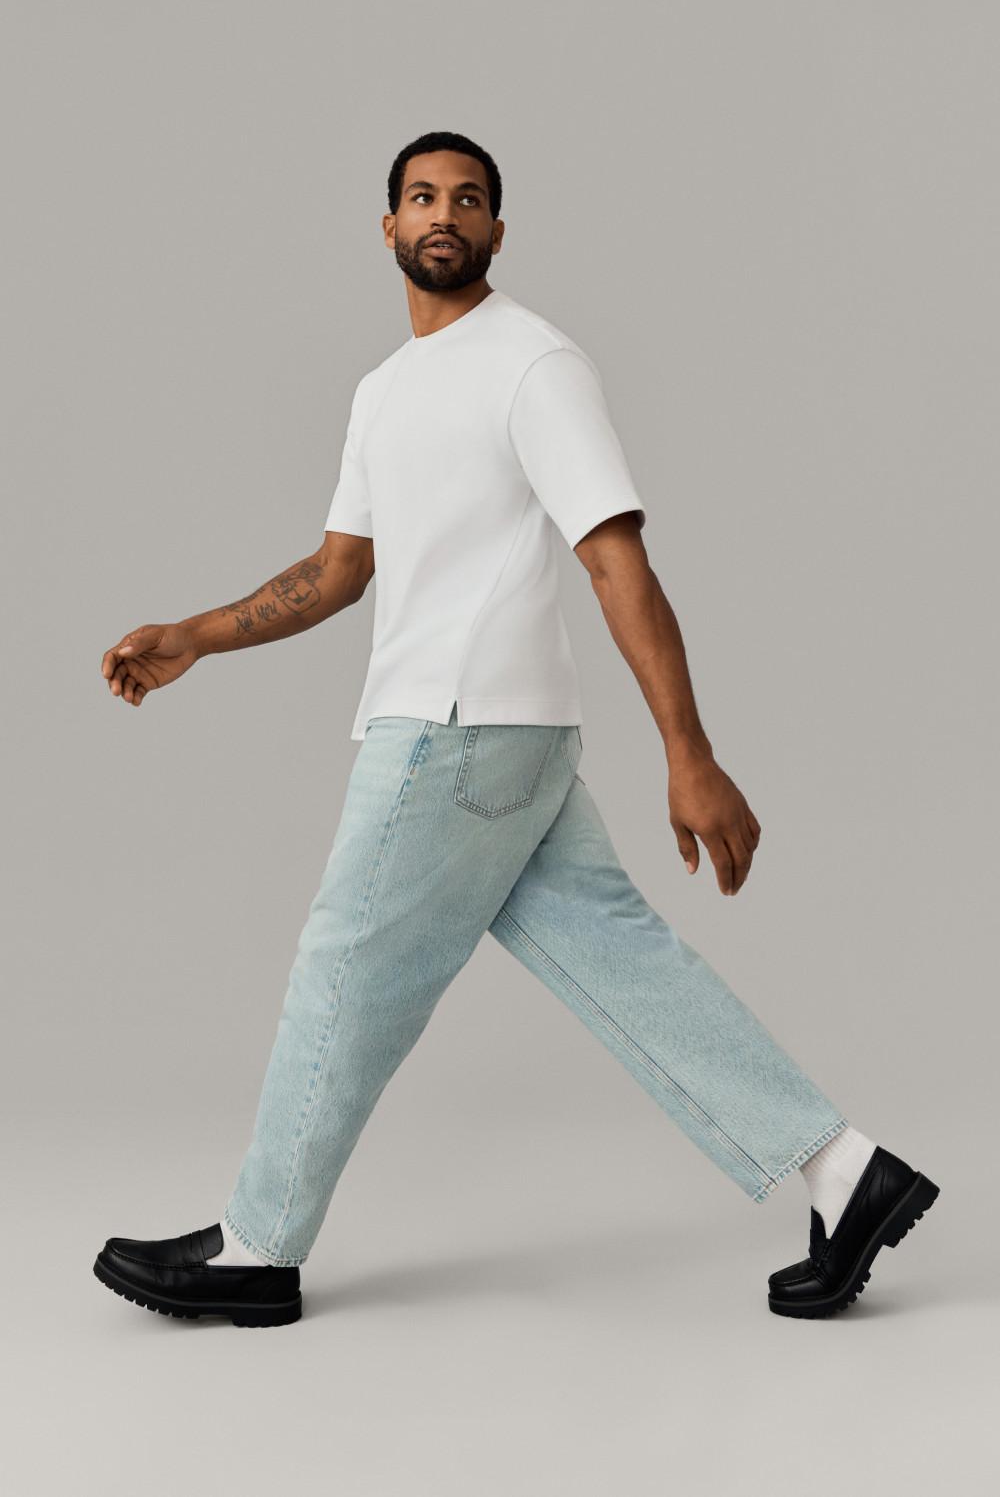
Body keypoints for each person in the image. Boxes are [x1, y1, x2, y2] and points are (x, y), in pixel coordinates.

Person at [93, 130, 938, 1328]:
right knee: (624, 964)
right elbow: (340, 571)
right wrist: (196, 633)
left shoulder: (533, 364)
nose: (445, 213)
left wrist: (688, 754)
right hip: (506, 748)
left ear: (498, 229)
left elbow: (613, 559)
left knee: (343, 965)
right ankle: (844, 1172)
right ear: (385, 228)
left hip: (453, 734)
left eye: (470, 198)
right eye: (422, 197)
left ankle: (258, 1245)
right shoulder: (383, 393)